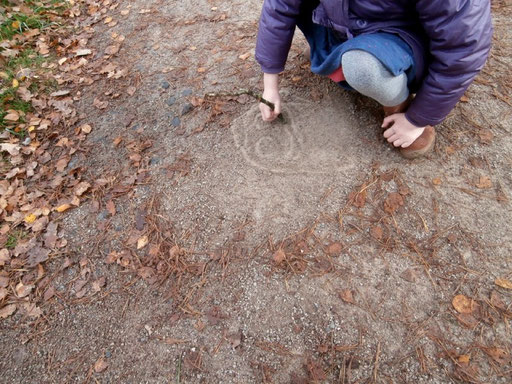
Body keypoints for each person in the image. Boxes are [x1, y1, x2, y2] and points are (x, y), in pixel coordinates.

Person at [255, 0, 493, 158]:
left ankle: (397, 103)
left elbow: (464, 50)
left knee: (361, 66)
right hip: (344, 24)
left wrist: (417, 120)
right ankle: (332, 53)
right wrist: (270, 85)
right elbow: (279, 9)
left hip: (404, 37)